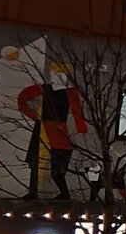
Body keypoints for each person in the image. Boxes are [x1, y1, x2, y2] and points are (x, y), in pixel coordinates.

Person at [17, 64, 88, 199]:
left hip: (58, 133)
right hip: (45, 130)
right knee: (35, 162)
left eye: (61, 75)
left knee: (56, 169)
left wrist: (78, 135)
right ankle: (34, 192)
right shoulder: (45, 89)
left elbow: (78, 117)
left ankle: (63, 194)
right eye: (54, 74)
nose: (57, 78)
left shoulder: (70, 92)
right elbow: (22, 98)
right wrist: (34, 116)